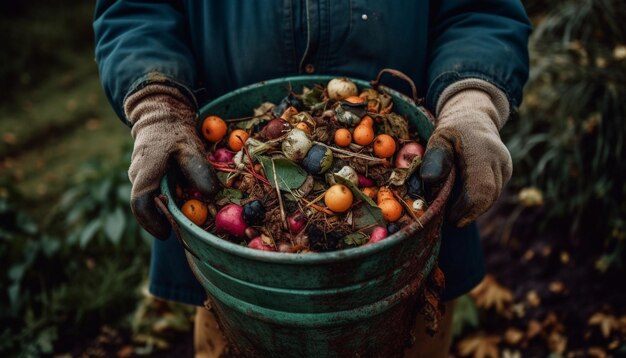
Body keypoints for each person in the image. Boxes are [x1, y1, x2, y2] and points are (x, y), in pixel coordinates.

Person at [94, 1, 530, 356]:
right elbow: (136, 9)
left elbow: (481, 10)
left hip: (403, 276)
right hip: (238, 282)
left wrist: (471, 96)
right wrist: (156, 100)